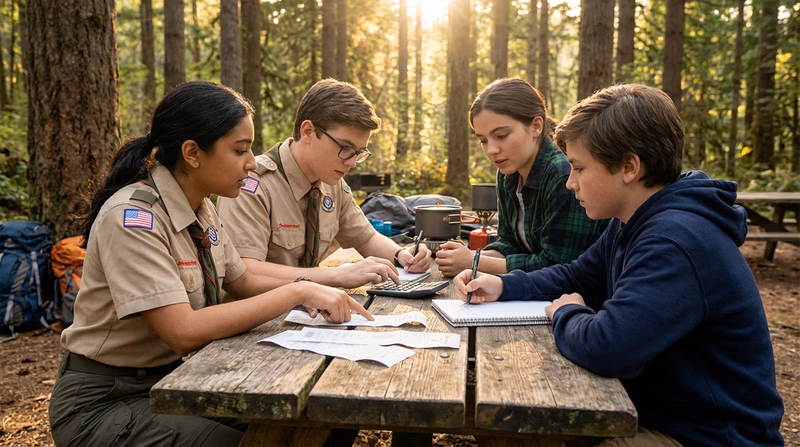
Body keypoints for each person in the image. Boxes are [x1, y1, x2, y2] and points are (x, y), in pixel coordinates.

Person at [453, 84, 784, 446]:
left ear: (629, 167)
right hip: (658, 413)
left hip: (704, 436)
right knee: (507, 424)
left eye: (579, 168)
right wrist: (505, 285)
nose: (570, 181)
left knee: (513, 422)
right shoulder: (631, 220)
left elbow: (608, 348)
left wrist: (566, 312)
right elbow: (577, 274)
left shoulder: (674, 240)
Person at [49, 81, 372, 447]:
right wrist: (296, 291)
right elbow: (182, 330)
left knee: (321, 418)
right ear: (192, 153)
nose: (252, 162)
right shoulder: (133, 218)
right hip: (105, 402)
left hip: (174, 380)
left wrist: (316, 288)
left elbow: (243, 278)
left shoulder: (202, 209)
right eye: (240, 150)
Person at [217, 79, 431, 288]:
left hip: (308, 313)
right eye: (345, 148)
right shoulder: (252, 185)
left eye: (359, 153)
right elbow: (245, 271)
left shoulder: (331, 182)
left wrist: (401, 255)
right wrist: (335, 275)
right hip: (260, 318)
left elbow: (365, 237)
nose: (352, 162)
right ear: (308, 131)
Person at [435, 78, 607, 277]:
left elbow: (558, 264)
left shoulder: (562, 177)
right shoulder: (508, 173)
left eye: (501, 135)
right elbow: (510, 244)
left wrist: (475, 261)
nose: (491, 150)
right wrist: (463, 256)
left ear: (536, 126)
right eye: (483, 140)